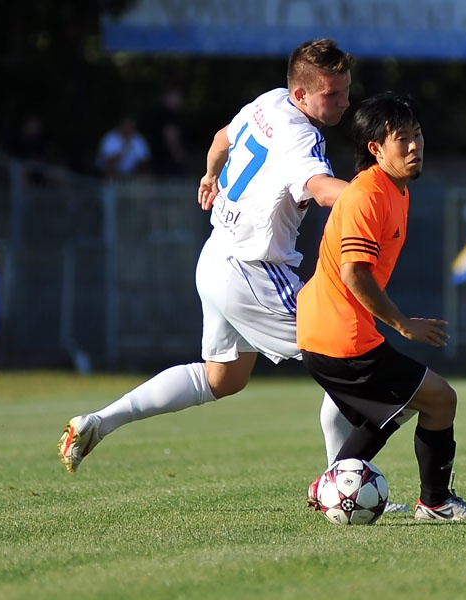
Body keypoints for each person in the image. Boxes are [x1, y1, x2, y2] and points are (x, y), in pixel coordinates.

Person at [57, 40, 414, 510]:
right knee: (347, 357)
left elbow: (222, 139)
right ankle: (338, 487)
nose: (344, 103)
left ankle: (100, 421)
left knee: (222, 378)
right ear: (302, 95)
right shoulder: (301, 137)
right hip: (254, 273)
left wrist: (209, 175)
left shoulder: (268, 102)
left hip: (216, 259)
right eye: (333, 94)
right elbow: (323, 190)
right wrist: (372, 196)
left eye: (346, 91)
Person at [297, 92, 466, 521]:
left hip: (330, 333)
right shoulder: (367, 195)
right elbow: (355, 273)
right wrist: (402, 325)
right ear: (376, 149)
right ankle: (436, 503)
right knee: (440, 400)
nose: (415, 145)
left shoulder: (395, 190)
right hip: (340, 338)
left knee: (390, 412)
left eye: (417, 135)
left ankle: (327, 486)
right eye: (402, 139)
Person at [148, 86, 190, 176]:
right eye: (175, 97)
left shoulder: (157, 114)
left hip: (159, 160)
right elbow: (171, 135)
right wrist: (178, 154)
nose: (178, 101)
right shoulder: (168, 115)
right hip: (167, 161)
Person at [95, 114, 151, 179]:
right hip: (109, 173)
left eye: (130, 125)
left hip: (131, 175)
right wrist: (124, 148)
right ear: (120, 125)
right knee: (110, 171)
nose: (128, 127)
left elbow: (145, 161)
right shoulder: (110, 138)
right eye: (126, 124)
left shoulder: (139, 139)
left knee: (145, 175)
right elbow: (108, 162)